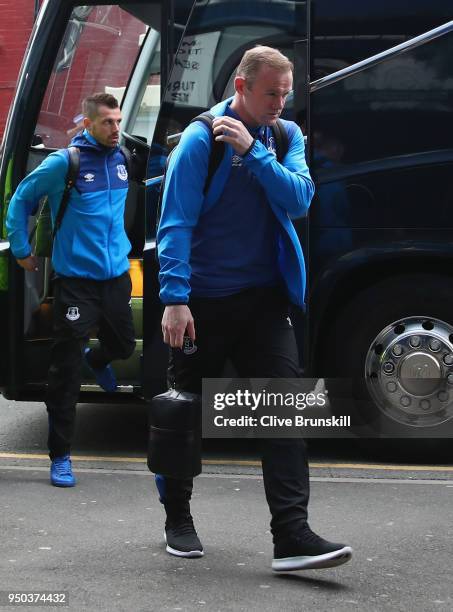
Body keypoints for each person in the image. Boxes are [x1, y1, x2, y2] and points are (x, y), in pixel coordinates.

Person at [156, 46, 353, 571]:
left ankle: (291, 536)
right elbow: (174, 222)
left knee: (286, 412)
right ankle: (178, 518)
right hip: (202, 302)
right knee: (184, 415)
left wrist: (255, 153)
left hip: (265, 303)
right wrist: (175, 300)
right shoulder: (201, 140)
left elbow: (300, 200)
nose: (280, 103)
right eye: (271, 93)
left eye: (286, 93)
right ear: (241, 87)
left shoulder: (285, 137)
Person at [6, 93, 136, 488]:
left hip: (116, 276)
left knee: (124, 345)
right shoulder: (66, 163)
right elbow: (21, 199)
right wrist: (20, 248)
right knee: (64, 375)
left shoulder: (123, 158)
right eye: (108, 123)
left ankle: (96, 358)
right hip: (76, 282)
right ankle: (61, 456)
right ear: (88, 124)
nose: (116, 129)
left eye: (118, 121)